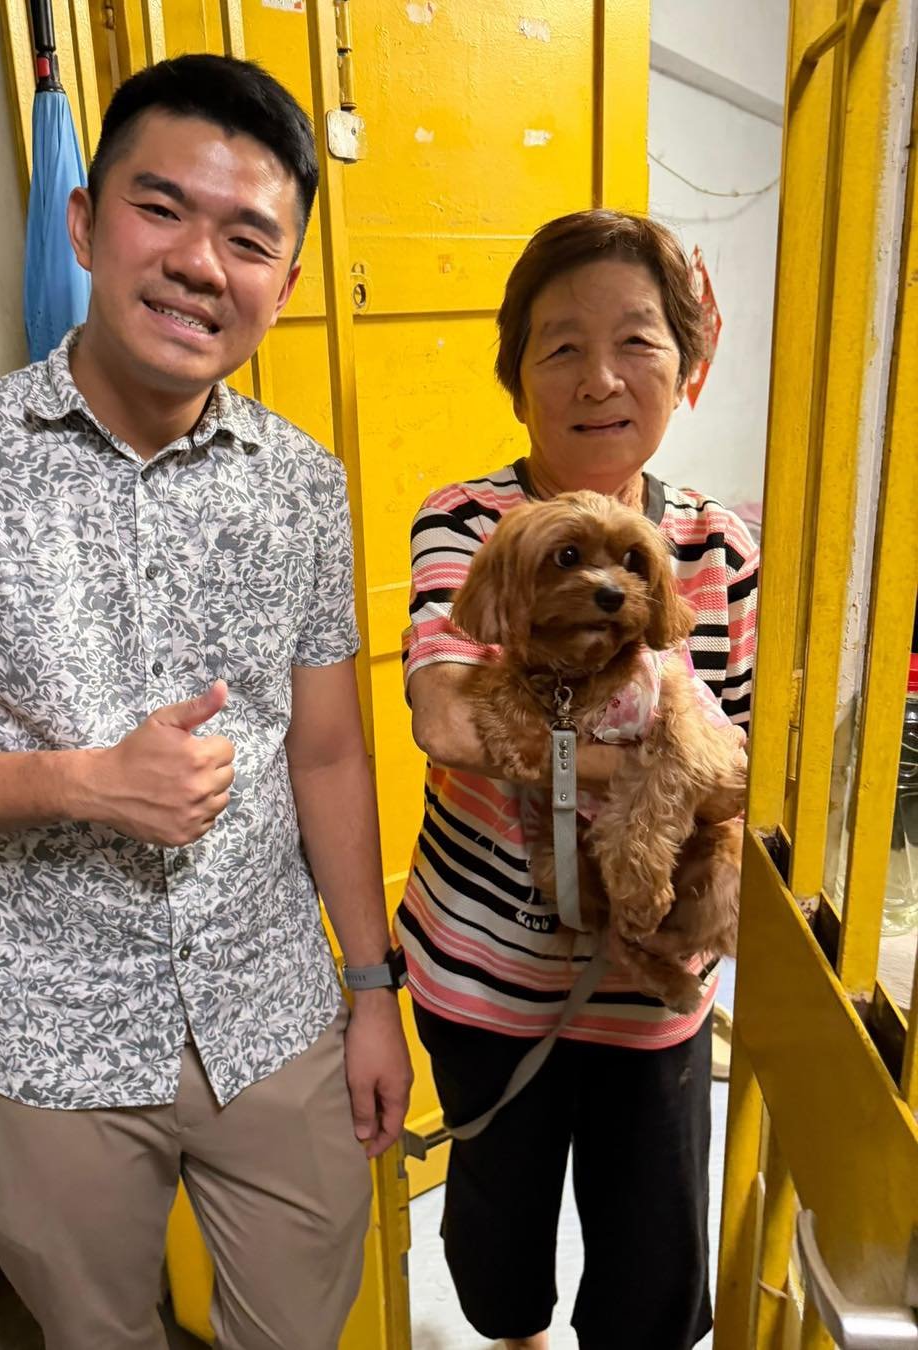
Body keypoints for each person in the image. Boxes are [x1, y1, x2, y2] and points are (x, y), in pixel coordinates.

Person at [0, 54, 411, 1350]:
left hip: (275, 1018)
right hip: (47, 1040)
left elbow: (326, 754)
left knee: (300, 1329)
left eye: (249, 235)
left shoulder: (301, 487)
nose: (203, 262)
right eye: (164, 209)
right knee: (97, 1334)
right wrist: (78, 781)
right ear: (87, 222)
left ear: (286, 281)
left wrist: (371, 988)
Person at [395, 209, 758, 1350]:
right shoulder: (467, 521)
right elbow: (449, 718)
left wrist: (645, 792)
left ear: (686, 368)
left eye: (638, 341)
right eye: (560, 346)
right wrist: (628, 758)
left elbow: (741, 767)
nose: (600, 377)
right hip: (487, 972)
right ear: (517, 378)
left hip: (654, 989)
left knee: (653, 1265)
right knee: (496, 1243)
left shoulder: (717, 548)